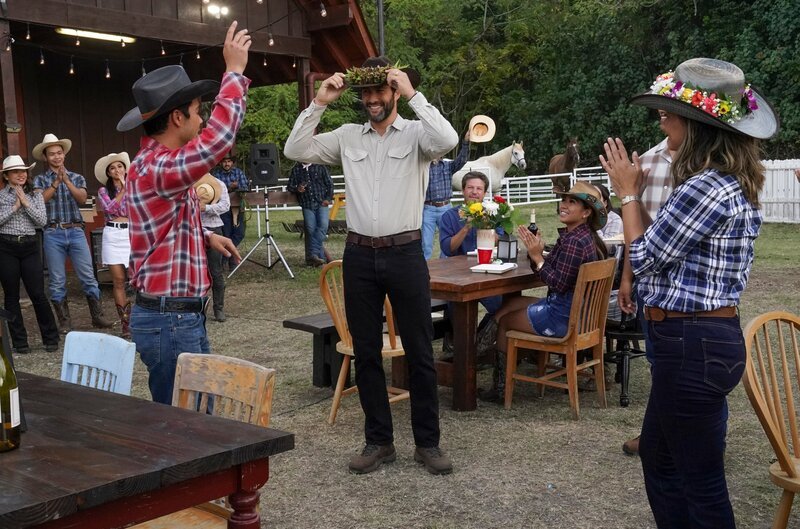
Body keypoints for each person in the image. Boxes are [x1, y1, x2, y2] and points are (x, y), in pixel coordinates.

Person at [600, 57, 778, 529]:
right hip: (697, 341)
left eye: (667, 114)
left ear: (695, 126)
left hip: (691, 344)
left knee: (700, 481)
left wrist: (627, 193)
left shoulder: (706, 186)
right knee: (659, 458)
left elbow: (644, 257)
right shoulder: (722, 180)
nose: (661, 123)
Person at [284, 55, 458, 475]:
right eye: (365, 92)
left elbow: (448, 139)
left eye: (380, 90)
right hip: (360, 255)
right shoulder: (347, 136)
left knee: (419, 351)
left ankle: (428, 444)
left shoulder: (418, 134)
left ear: (394, 90)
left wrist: (414, 94)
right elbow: (295, 149)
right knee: (366, 353)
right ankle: (379, 440)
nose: (372, 99)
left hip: (405, 252)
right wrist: (321, 101)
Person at [116, 21, 248, 404]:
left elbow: (161, 225)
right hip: (171, 320)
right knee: (187, 432)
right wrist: (234, 73)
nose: (202, 118)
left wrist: (207, 236)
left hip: (173, 317)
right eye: (195, 111)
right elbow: (218, 140)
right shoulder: (160, 168)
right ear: (177, 118)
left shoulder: (153, 166)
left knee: (188, 423)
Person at [479, 181, 608, 403]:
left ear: (586, 212)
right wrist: (536, 253)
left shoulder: (574, 242)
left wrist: (538, 258)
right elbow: (551, 269)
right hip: (574, 313)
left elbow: (556, 282)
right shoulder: (578, 236)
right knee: (508, 306)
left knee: (506, 321)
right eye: (564, 200)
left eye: (572, 202)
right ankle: (473, 358)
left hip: (562, 318)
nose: (564, 205)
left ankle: (498, 388)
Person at [32, 134, 113, 332]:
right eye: (52, 154)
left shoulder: (76, 177)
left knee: (87, 276)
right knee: (57, 279)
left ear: (64, 155)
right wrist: (56, 183)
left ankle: (97, 316)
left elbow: (82, 198)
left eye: (59, 153)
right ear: (45, 157)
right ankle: (65, 321)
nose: (57, 157)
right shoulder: (40, 179)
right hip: (53, 232)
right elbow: (40, 201)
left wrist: (67, 181)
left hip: (75, 231)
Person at [438, 170, 503, 353]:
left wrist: (488, 226)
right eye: (470, 188)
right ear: (463, 191)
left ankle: (477, 342)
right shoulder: (450, 216)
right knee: (457, 306)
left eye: (479, 189)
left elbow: (504, 240)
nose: (474, 192)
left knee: (500, 306)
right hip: (458, 276)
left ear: (484, 193)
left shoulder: (492, 213)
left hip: (485, 273)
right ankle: (456, 341)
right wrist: (466, 226)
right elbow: (447, 248)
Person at [0, 155, 59, 354]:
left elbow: (42, 221)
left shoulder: (35, 195)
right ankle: (20, 342)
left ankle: (51, 337)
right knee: (11, 296)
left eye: (23, 171)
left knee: (38, 294)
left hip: (30, 246)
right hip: (6, 246)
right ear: (7, 176)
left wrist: (25, 202)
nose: (21, 175)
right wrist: (14, 207)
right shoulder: (1, 197)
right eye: (16, 171)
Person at [95, 152, 132, 338]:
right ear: (108, 173)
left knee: (137, 278)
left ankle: (142, 319)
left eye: (119, 166)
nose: (117, 170)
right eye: (112, 168)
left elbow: (137, 208)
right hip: (112, 233)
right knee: (118, 280)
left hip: (131, 232)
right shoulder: (103, 191)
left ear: (125, 169)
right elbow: (109, 209)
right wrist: (123, 192)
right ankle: (125, 323)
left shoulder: (135, 188)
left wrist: (128, 188)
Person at [422, 131, 470, 259]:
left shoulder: (448, 166)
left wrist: (466, 142)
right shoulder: (423, 168)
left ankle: (445, 267)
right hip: (428, 208)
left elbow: (463, 159)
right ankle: (425, 271)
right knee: (426, 243)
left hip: (446, 207)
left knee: (447, 240)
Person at [198, 175, 231, 322]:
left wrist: (206, 207)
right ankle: (198, 309)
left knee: (215, 270)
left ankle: (219, 308)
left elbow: (225, 205)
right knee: (196, 272)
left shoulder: (219, 183)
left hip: (214, 227)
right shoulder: (189, 182)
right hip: (193, 229)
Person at [287, 161, 333, 266]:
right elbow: (290, 186)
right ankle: (319, 259)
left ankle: (313, 254)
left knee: (323, 226)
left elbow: (329, 184)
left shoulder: (320, 166)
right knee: (311, 229)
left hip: (321, 202)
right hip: (306, 203)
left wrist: (328, 198)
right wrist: (297, 189)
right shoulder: (296, 169)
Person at [211, 152, 249, 266]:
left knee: (239, 233)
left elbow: (245, 188)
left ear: (232, 162)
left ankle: (227, 256)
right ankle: (230, 260)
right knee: (226, 234)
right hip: (224, 208)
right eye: (224, 161)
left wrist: (238, 187)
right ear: (221, 163)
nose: (226, 164)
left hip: (238, 207)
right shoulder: (216, 175)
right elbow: (216, 192)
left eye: (228, 161)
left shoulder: (238, 172)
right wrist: (229, 187)